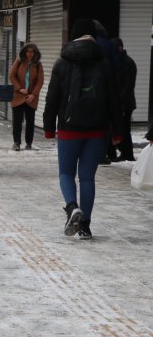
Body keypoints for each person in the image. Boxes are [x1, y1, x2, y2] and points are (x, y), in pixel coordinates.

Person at [43, 19, 123, 241]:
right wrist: (117, 131)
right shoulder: (104, 63)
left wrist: (49, 127)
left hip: (69, 128)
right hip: (96, 129)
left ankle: (71, 208)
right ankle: (85, 226)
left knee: (66, 173)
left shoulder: (62, 62)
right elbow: (114, 100)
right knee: (87, 178)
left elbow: (52, 98)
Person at [8, 42, 43, 151]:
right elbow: (11, 75)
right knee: (17, 121)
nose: (30, 54)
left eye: (32, 52)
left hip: (31, 97)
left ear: (35, 53)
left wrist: (34, 94)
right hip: (18, 95)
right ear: (24, 52)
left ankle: (29, 143)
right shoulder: (19, 61)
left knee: (30, 121)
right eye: (28, 51)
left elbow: (40, 81)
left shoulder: (37, 64)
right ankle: (16, 142)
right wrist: (19, 88)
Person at [110, 38, 137, 162]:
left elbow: (127, 85)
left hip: (124, 103)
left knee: (124, 128)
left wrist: (120, 102)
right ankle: (124, 152)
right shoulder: (124, 61)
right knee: (122, 128)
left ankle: (127, 153)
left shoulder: (125, 63)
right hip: (125, 102)